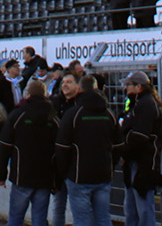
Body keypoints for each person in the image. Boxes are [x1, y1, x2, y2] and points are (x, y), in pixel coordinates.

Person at [54, 75, 119, 226]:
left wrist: (64, 172)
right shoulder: (109, 114)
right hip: (103, 174)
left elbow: (62, 147)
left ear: (80, 89)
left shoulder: (73, 114)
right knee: (103, 217)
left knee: (81, 219)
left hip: (79, 175)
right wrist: (110, 166)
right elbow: (118, 145)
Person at [0, 79, 59, 226]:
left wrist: (1, 175)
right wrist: (57, 180)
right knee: (39, 219)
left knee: (15, 218)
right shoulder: (53, 118)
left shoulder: (17, 115)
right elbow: (59, 151)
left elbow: (4, 145)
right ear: (45, 95)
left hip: (21, 176)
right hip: (45, 178)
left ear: (28, 95)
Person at [118, 72, 162, 226]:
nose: (126, 88)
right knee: (131, 208)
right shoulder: (136, 104)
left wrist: (123, 150)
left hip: (143, 163)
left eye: (129, 85)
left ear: (139, 87)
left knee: (143, 209)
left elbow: (140, 135)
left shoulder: (147, 104)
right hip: (133, 161)